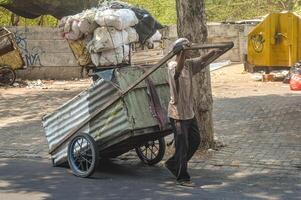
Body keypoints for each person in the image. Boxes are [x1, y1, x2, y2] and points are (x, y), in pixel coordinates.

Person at [165, 38, 222, 187]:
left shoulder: (189, 65)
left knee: (195, 141)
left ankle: (173, 163)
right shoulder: (172, 66)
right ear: (181, 51)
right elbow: (177, 72)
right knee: (182, 145)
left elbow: (202, 59)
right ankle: (182, 177)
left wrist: (213, 53)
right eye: (188, 48)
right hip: (177, 114)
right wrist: (183, 53)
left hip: (189, 112)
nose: (191, 50)